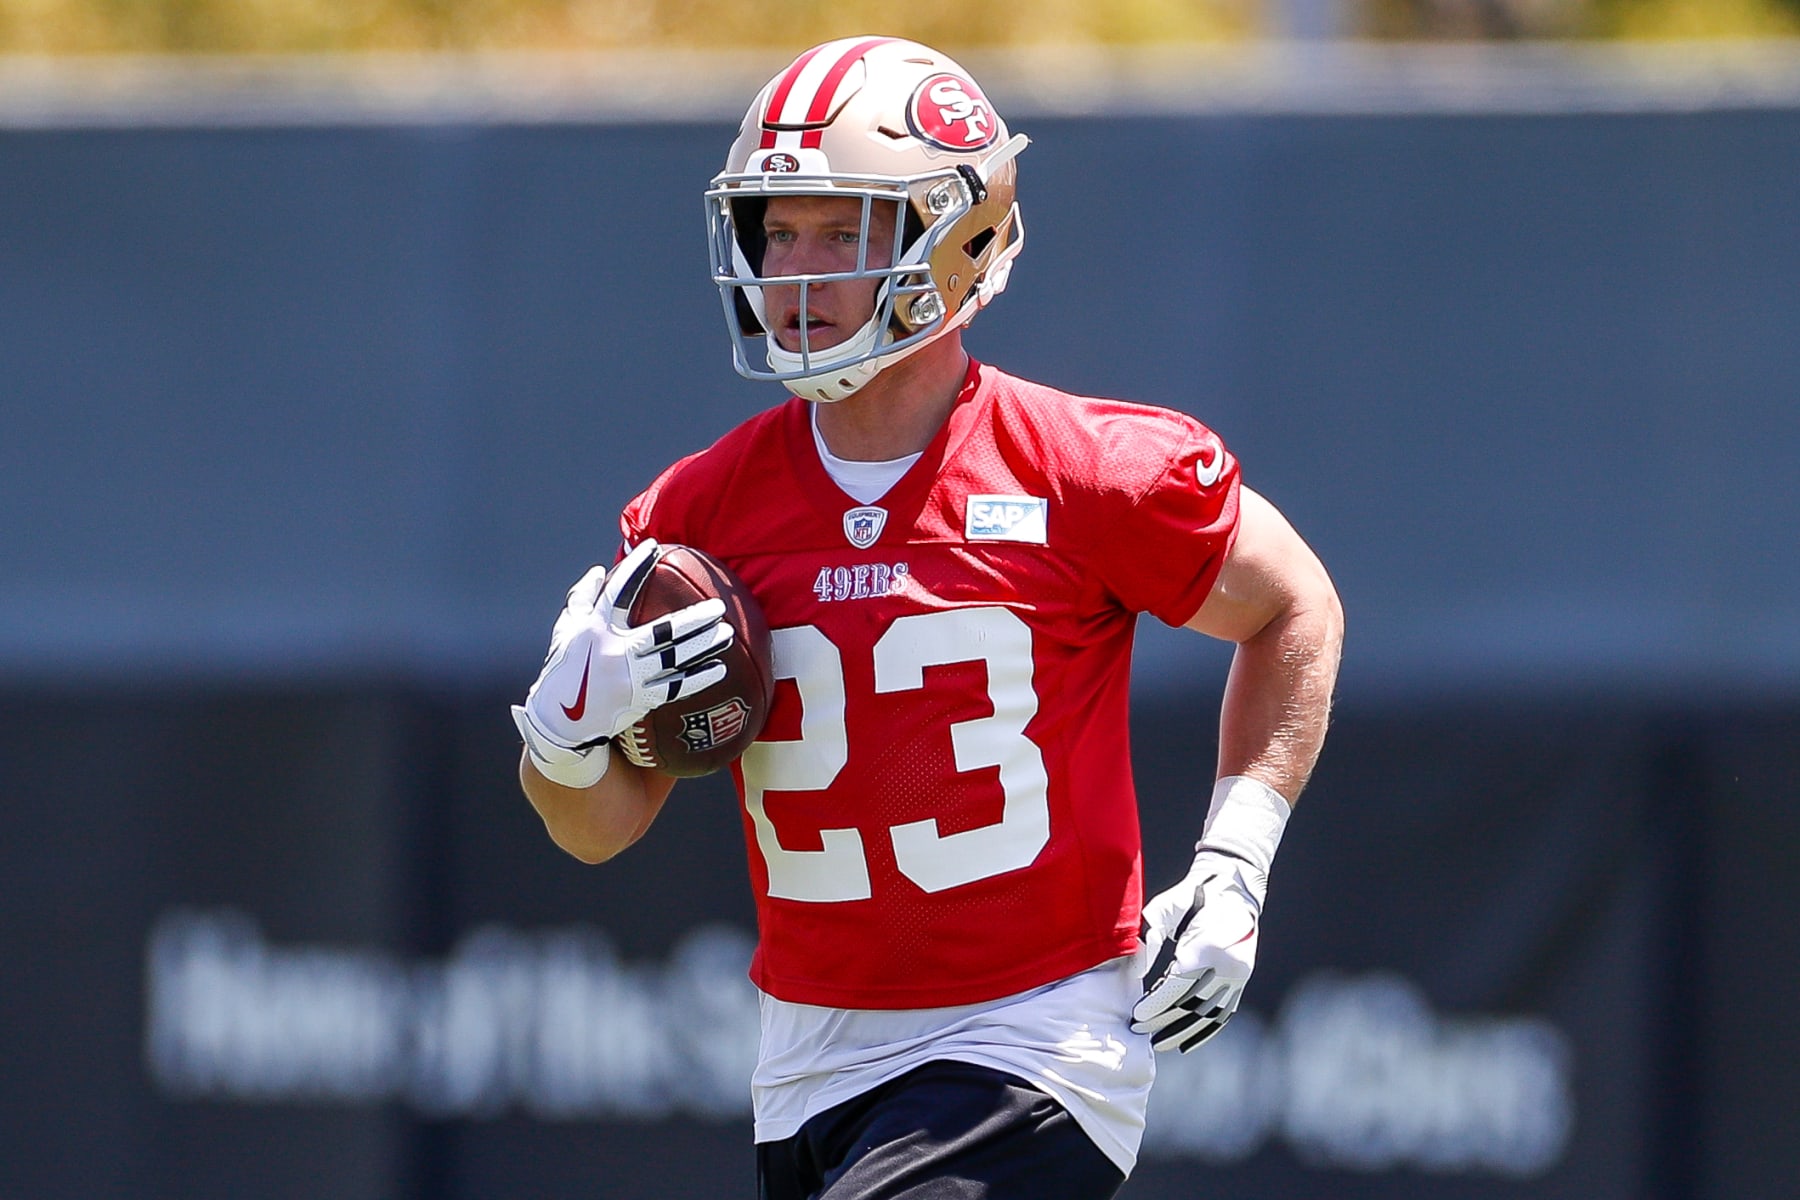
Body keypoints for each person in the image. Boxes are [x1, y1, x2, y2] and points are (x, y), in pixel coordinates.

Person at [512, 36, 1343, 1200]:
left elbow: (1295, 602)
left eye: (843, 230)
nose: (794, 270)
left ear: (954, 240)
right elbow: (599, 826)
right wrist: (557, 746)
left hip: (1032, 1044)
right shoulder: (696, 515)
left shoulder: (1084, 471)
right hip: (807, 1062)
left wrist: (1236, 861)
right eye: (776, 230)